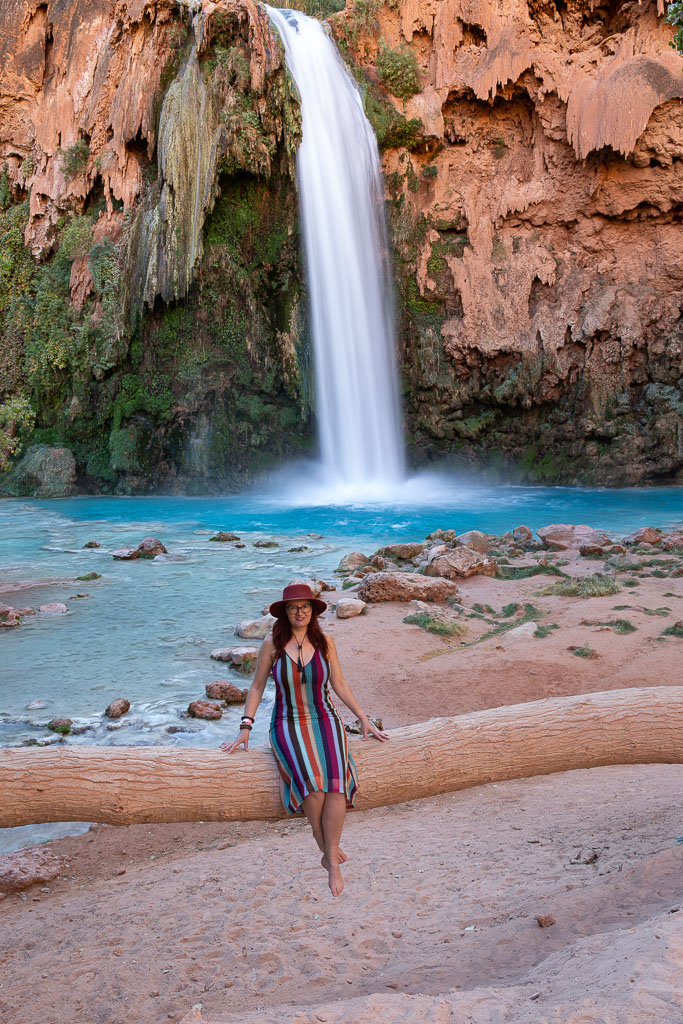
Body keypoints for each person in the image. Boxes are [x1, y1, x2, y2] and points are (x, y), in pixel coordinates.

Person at [221, 582, 388, 896]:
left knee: (335, 787)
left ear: (313, 611)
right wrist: (246, 726)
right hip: (287, 723)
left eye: (305, 607)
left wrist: (363, 719)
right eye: (293, 607)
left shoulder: (325, 642)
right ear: (285, 612)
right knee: (313, 788)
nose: (300, 612)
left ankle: (331, 859)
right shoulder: (271, 644)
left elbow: (338, 683)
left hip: (325, 719)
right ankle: (325, 847)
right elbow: (256, 687)